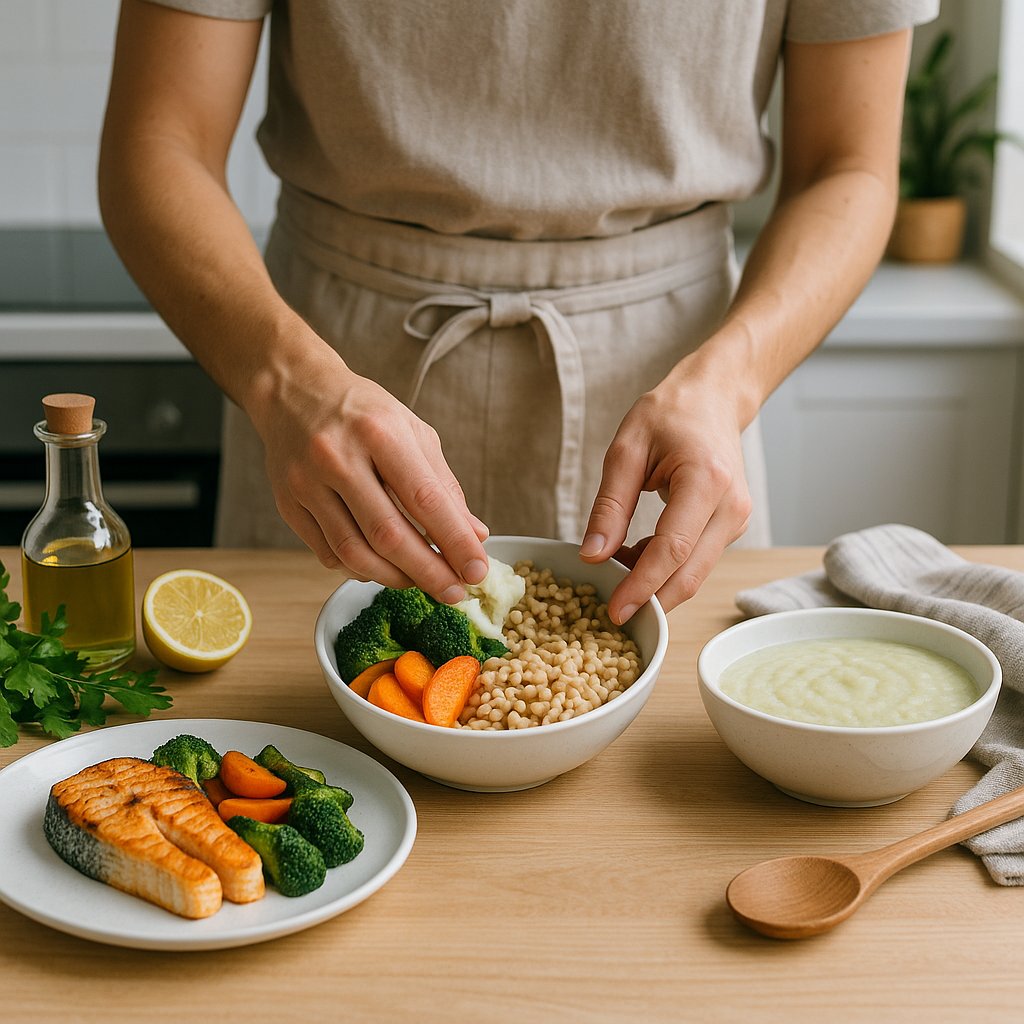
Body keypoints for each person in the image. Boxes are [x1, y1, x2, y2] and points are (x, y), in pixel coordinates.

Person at [98, 0, 937, 623]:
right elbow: (159, 141)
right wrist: (286, 382)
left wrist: (730, 383)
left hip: (673, 389)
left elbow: (850, 168)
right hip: (331, 375)